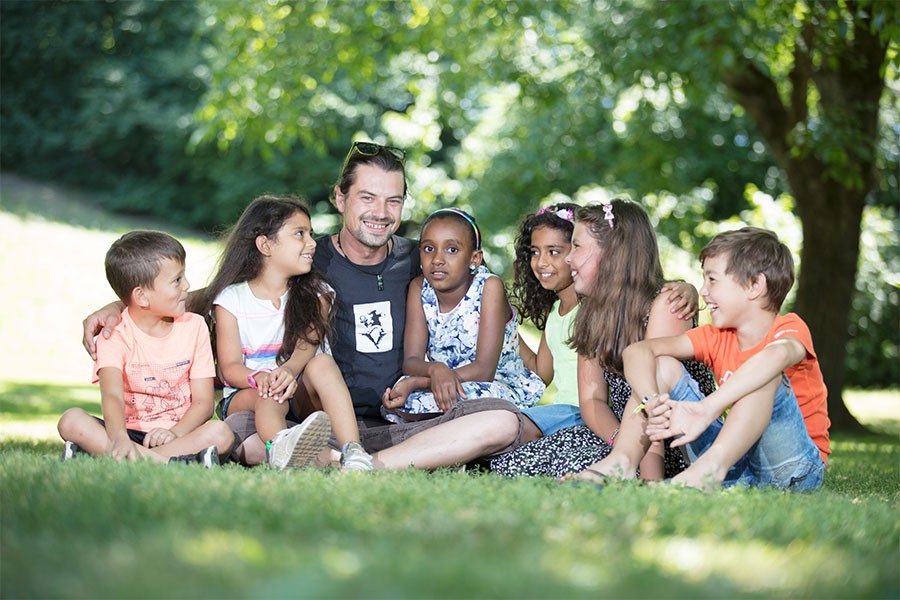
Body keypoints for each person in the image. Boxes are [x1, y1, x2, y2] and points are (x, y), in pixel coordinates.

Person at [82, 142, 530, 470]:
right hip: (314, 419)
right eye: (367, 197)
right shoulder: (304, 258)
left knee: (501, 422)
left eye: (393, 200)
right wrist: (117, 306)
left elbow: (485, 292)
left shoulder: (421, 258)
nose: (381, 211)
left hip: (402, 416)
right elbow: (217, 291)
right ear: (340, 197)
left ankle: (364, 464)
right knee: (254, 438)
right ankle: (350, 457)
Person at [572, 227, 829, 492]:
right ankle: (622, 462)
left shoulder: (789, 328)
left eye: (713, 280)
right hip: (736, 465)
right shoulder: (716, 337)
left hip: (792, 468)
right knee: (662, 365)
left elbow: (777, 355)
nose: (703, 291)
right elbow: (637, 351)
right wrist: (652, 402)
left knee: (765, 375)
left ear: (755, 285)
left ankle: (708, 470)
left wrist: (707, 409)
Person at [490, 200, 716, 479]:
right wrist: (617, 441)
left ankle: (625, 469)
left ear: (612, 254)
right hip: (626, 434)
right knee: (515, 463)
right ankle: (618, 463)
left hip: (675, 440)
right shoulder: (592, 312)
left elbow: (653, 400)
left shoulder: (666, 304)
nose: (570, 258)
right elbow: (592, 398)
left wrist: (647, 480)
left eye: (577, 247)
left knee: (579, 464)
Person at [189, 195, 372, 470]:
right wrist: (261, 378)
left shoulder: (317, 293)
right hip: (247, 393)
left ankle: (353, 452)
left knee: (321, 362)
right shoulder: (231, 300)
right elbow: (229, 368)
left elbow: (308, 344)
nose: (311, 243)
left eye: (310, 234)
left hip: (300, 391)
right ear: (265, 245)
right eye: (300, 234)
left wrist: (288, 370)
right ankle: (281, 446)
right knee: (270, 394)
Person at [58, 231, 234, 467]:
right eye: (177, 280)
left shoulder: (195, 326)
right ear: (141, 296)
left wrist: (176, 433)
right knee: (70, 421)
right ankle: (169, 462)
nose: (188, 286)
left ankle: (119, 456)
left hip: (178, 433)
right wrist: (119, 437)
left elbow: (203, 403)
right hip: (125, 431)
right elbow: (112, 396)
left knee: (221, 433)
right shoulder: (113, 335)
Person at [381, 208, 544, 422]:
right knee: (401, 399)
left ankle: (439, 427)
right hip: (441, 383)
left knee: (480, 400)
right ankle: (442, 430)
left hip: (492, 384)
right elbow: (411, 361)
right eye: (429, 248)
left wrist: (422, 381)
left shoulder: (489, 287)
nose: (437, 259)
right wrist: (435, 370)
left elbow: (484, 370)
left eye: (451, 250)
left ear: (474, 259)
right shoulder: (419, 288)